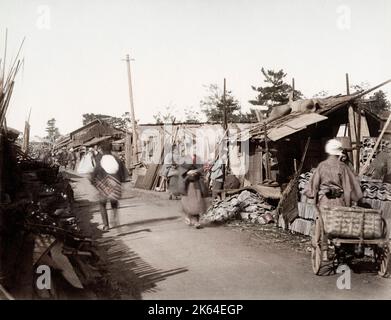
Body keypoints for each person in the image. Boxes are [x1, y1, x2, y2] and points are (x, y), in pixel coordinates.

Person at [304, 138, 363, 261]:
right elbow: (348, 189)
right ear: (339, 153)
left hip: (324, 201)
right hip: (339, 202)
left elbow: (313, 186)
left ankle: (324, 253)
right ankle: (339, 250)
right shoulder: (343, 167)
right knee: (338, 225)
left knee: (323, 225)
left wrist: (314, 198)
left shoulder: (321, 166)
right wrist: (348, 206)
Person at [90, 143, 128, 231]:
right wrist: (120, 182)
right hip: (115, 185)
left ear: (102, 150)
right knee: (114, 203)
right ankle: (115, 219)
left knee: (102, 204)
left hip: (104, 186)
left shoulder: (100, 160)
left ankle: (106, 225)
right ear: (111, 149)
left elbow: (94, 174)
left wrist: (93, 182)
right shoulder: (117, 160)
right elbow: (124, 175)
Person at [178, 151, 208, 228]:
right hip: (188, 184)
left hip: (197, 183)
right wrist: (188, 172)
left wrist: (197, 171)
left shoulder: (198, 158)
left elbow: (202, 169)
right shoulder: (185, 158)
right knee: (189, 203)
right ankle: (188, 216)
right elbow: (181, 169)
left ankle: (196, 221)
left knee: (198, 202)